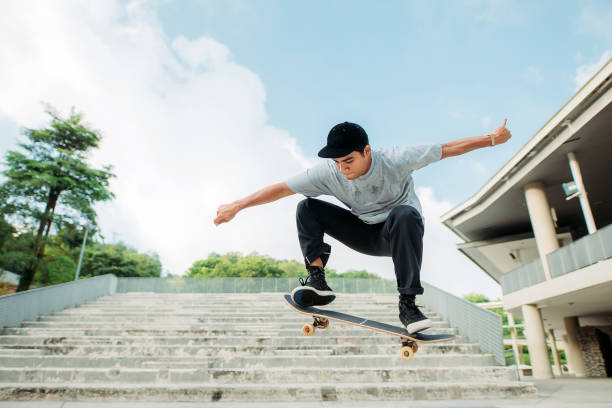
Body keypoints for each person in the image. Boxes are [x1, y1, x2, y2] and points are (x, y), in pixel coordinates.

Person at [214, 120, 511, 333]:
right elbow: (281, 188)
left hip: (397, 234)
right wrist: (237, 206)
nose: (344, 170)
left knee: (405, 214)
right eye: (339, 164)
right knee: (306, 206)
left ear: (366, 151)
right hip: (363, 233)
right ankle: (317, 280)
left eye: (349, 161)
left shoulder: (395, 159)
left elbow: (447, 148)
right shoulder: (328, 172)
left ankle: (408, 304)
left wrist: (492, 139)